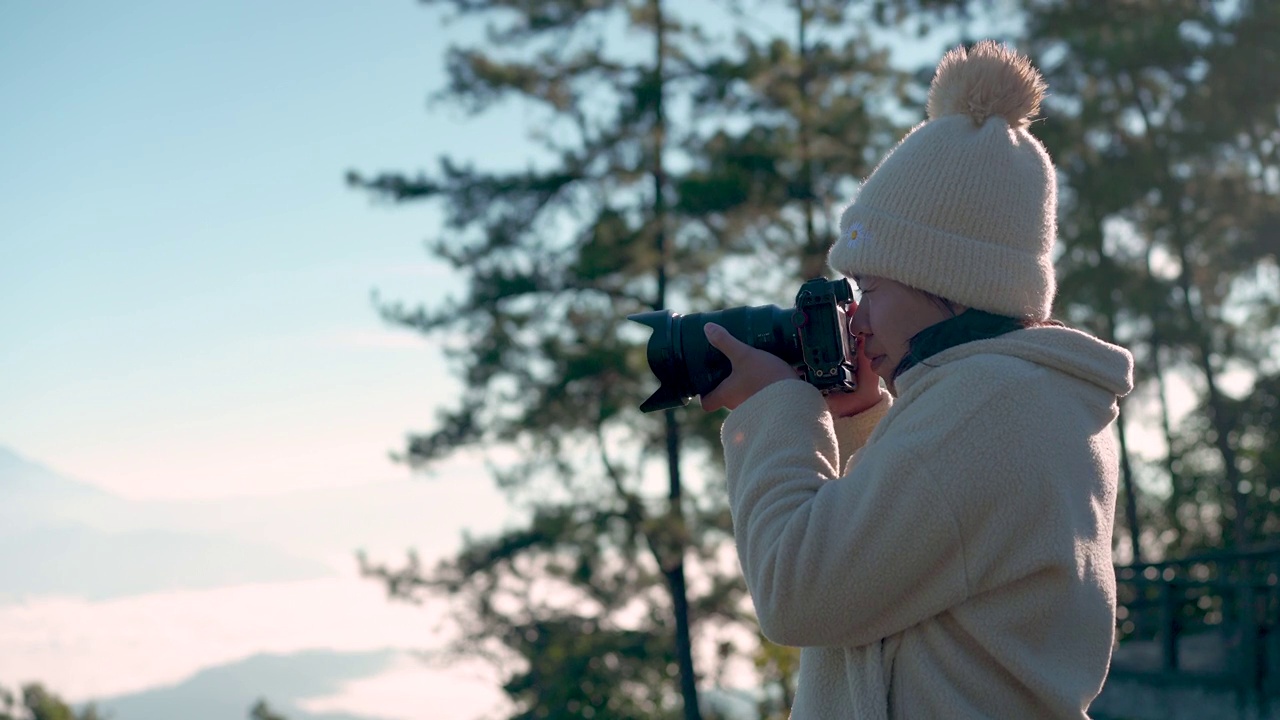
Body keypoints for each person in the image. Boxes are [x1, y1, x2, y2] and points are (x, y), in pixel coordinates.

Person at [699, 41, 1134, 718]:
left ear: (946, 284)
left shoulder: (983, 403)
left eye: (870, 287)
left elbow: (798, 594)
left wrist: (775, 406)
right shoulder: (1027, 396)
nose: (858, 317)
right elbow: (916, 564)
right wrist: (862, 422)